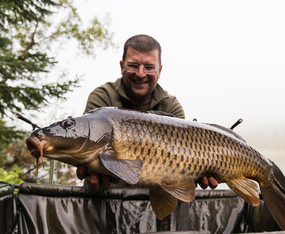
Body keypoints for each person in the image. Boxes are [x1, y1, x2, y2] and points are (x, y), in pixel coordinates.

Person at [76, 34, 218, 191]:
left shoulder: (170, 106)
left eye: (149, 67)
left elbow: (178, 178)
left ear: (160, 70)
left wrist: (196, 173)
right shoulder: (103, 97)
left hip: (152, 200)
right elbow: (85, 149)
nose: (141, 73)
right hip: (106, 196)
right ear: (122, 66)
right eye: (133, 66)